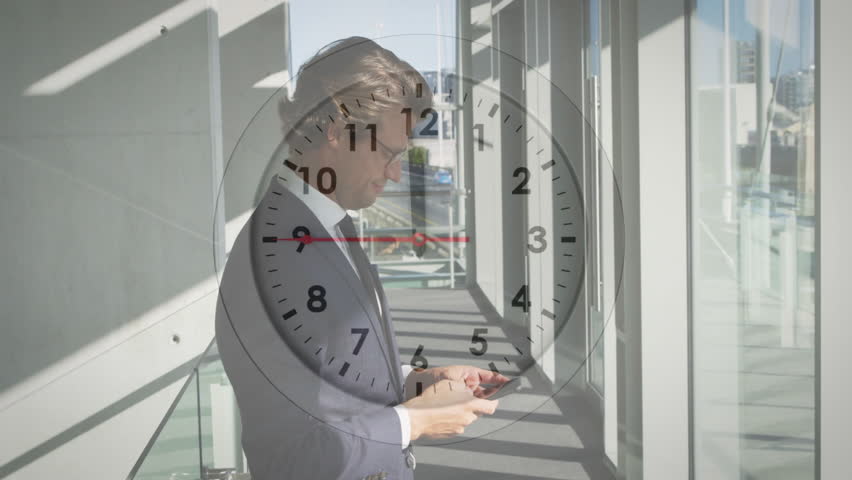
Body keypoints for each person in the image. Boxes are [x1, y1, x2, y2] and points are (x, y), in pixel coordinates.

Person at [215, 37, 508, 480]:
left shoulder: (329, 225)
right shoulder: (278, 260)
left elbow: (328, 377)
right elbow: (289, 461)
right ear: (335, 130)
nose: (395, 173)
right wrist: (416, 420)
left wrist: (417, 381)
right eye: (388, 153)